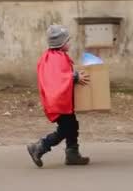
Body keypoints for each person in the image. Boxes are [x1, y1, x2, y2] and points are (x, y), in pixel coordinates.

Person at [27, 24, 91, 167]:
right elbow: (56, 78)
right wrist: (74, 77)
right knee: (66, 129)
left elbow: (61, 75)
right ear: (61, 43)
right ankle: (40, 146)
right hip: (58, 101)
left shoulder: (58, 56)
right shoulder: (53, 58)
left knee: (72, 125)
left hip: (63, 100)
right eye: (67, 40)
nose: (70, 43)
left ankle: (72, 154)